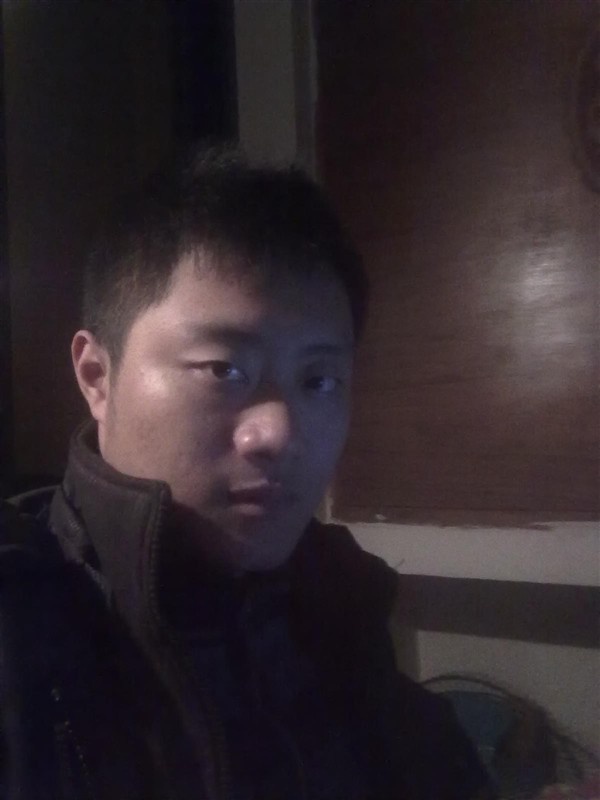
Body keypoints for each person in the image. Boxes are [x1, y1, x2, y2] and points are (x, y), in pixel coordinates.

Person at [0, 148, 492, 799]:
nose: (280, 433)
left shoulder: (342, 612)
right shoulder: (22, 628)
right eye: (224, 370)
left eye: (319, 380)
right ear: (96, 376)